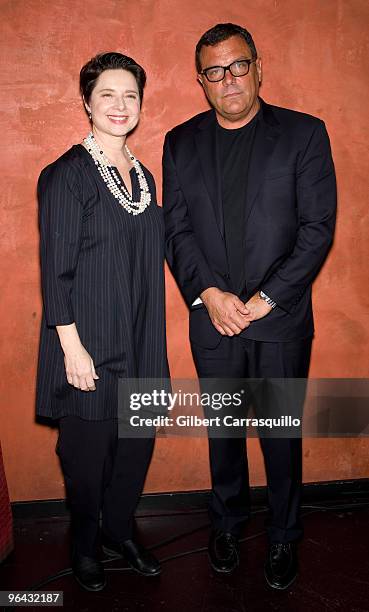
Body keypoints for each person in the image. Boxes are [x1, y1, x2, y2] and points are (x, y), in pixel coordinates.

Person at [163, 23, 336, 589]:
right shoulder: (179, 142)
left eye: (238, 66)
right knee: (224, 432)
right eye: (214, 72)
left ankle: (285, 535)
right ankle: (228, 522)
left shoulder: (305, 134)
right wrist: (210, 295)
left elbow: (317, 229)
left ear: (258, 67)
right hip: (211, 319)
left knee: (280, 434)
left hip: (280, 320)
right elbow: (177, 230)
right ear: (201, 82)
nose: (228, 80)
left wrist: (263, 300)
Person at [36, 52, 169, 591]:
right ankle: (85, 543)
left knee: (135, 450)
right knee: (87, 462)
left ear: (140, 103)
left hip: (140, 342)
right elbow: (55, 272)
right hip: (85, 344)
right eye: (107, 94)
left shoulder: (144, 178)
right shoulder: (67, 175)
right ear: (86, 102)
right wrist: (72, 347)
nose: (120, 105)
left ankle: (119, 530)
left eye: (130, 95)